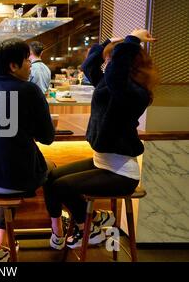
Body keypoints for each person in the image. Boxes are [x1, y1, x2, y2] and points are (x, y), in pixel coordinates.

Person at [43, 29, 159, 250]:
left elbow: (116, 77)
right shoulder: (110, 85)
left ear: (127, 62)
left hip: (121, 173)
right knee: (50, 178)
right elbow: (88, 68)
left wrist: (132, 41)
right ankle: (92, 219)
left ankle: (89, 229)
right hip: (102, 162)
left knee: (62, 187)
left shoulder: (134, 92)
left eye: (111, 60)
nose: (107, 64)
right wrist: (107, 43)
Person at [0, 38, 55, 261]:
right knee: (52, 171)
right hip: (14, 179)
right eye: (27, 61)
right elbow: (48, 138)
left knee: (9, 167)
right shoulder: (30, 91)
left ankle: (3, 243)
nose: (31, 65)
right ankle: (59, 232)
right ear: (13, 66)